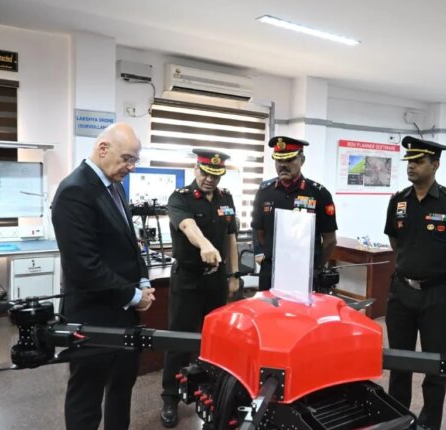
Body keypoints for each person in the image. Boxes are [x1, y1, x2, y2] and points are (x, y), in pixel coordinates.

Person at [51, 123, 155, 430]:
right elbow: (84, 266)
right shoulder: (75, 191)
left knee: (122, 390)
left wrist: (144, 281)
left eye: (135, 160)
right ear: (103, 149)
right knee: (87, 396)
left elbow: (131, 243)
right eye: (127, 158)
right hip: (92, 318)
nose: (131, 167)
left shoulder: (115, 186)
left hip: (124, 317)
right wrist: (133, 296)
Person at [384, 136, 446, 430]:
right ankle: (398, 420)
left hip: (436, 296)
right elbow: (395, 241)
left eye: (419, 161)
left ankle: (429, 424)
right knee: (399, 362)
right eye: (409, 161)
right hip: (401, 293)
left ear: (435, 164)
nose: (411, 166)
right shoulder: (398, 201)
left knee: (436, 365)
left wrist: (442, 274)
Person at [160, 149, 239, 427]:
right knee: (179, 340)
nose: (209, 180)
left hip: (216, 280)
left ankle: (213, 394)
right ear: (196, 169)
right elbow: (187, 225)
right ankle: (170, 397)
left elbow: (231, 237)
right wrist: (205, 244)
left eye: (215, 175)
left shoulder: (226, 198)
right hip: (188, 279)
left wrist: (233, 274)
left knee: (215, 340)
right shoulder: (180, 198)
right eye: (205, 173)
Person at [251, 136, 338, 290]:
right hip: (271, 270)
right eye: (279, 160)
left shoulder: (319, 193)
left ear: (302, 160)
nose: (283, 165)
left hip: (305, 271)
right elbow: (259, 232)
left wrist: (316, 267)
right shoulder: (264, 192)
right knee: (268, 306)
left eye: (290, 160)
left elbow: (330, 240)